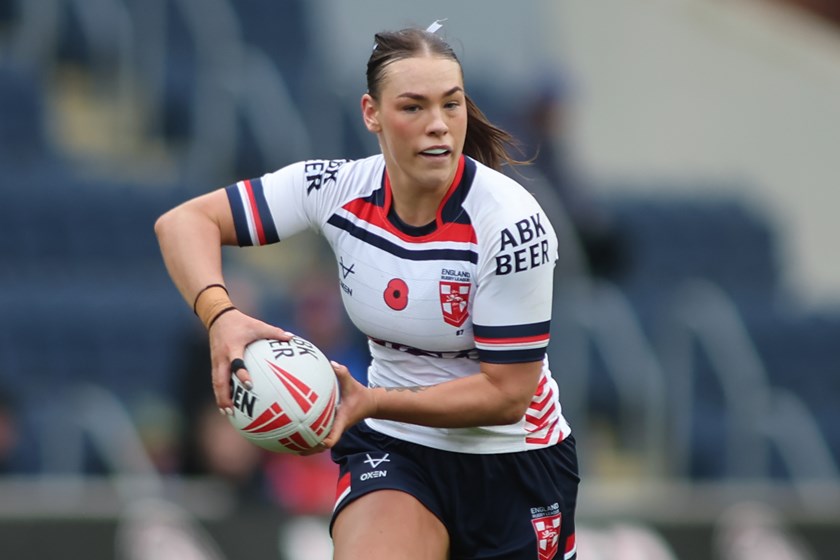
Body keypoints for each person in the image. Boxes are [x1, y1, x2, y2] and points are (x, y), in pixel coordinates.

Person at [155, 22, 579, 560]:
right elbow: (183, 223)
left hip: (516, 460)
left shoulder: (511, 223)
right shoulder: (338, 189)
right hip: (396, 448)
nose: (439, 127)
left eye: (452, 105)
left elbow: (507, 395)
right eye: (413, 107)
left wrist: (370, 399)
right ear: (371, 113)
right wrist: (221, 317)